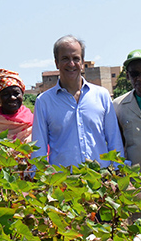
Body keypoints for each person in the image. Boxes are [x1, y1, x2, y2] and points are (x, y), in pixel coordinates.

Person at [31, 35, 123, 167]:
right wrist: (40, 180)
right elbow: (38, 148)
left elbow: (114, 140)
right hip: (64, 183)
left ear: (82, 62)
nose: (71, 64)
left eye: (76, 58)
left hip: (101, 182)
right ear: (56, 63)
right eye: (65, 59)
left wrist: (118, 174)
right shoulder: (44, 102)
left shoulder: (101, 96)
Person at [0, 69, 33, 143]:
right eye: (6, 94)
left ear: (22, 95)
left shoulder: (34, 122)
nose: (12, 97)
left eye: (16, 93)